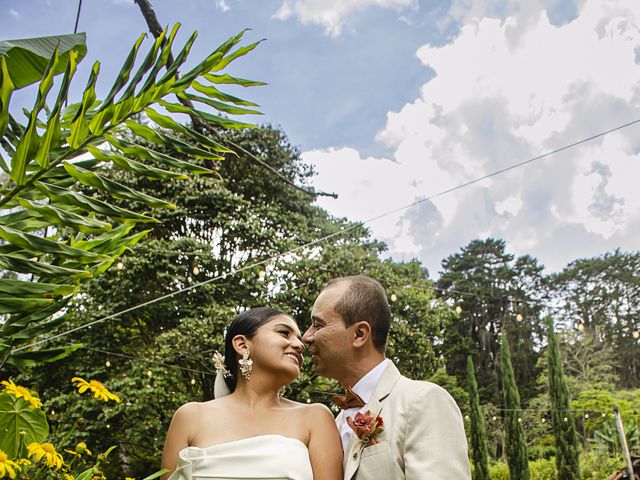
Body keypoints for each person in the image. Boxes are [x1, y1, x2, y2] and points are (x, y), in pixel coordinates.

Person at [303, 276, 471, 480]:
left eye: (318, 325)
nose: (306, 336)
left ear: (359, 334)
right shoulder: (335, 422)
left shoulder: (422, 400)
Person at [161, 307, 343, 480]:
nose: (299, 345)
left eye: (299, 339)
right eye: (284, 333)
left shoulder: (316, 417)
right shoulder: (190, 417)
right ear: (242, 344)